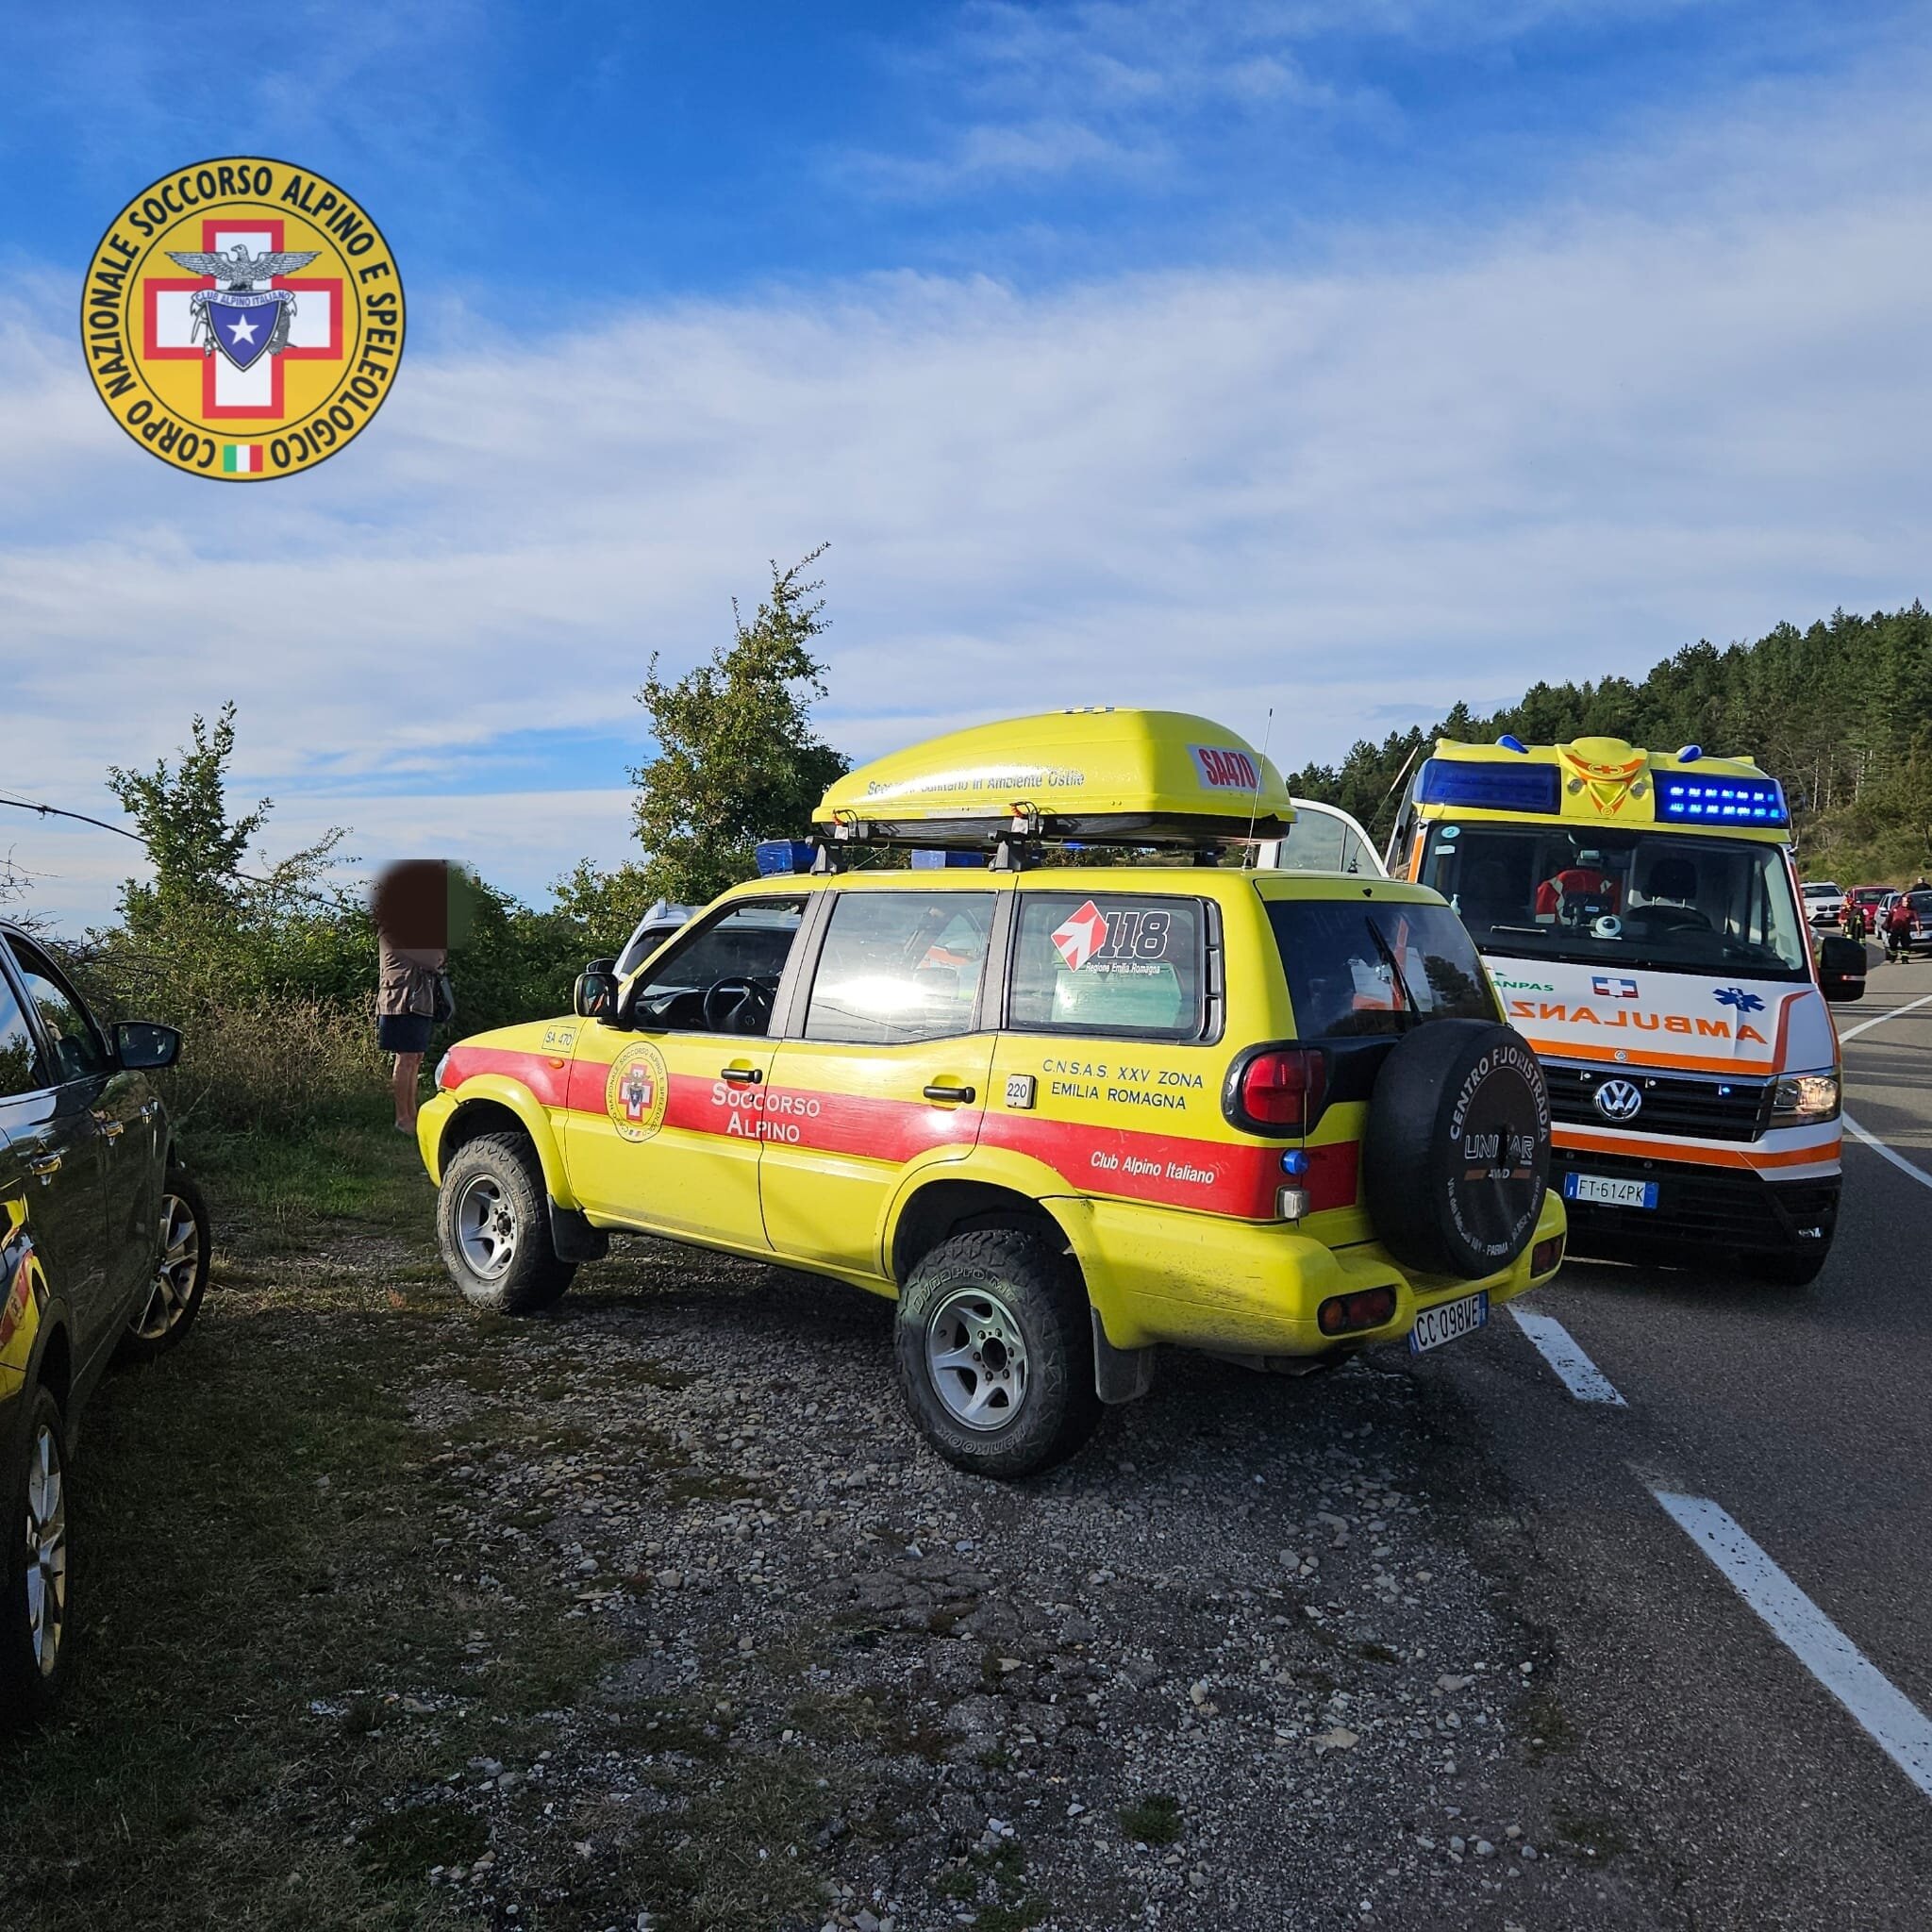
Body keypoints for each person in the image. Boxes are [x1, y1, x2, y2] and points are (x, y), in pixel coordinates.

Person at [373, 860, 453, 1135]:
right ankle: (402, 1118)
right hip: (402, 1001)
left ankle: (413, 1114)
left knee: (415, 1057)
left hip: (419, 1001)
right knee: (406, 1058)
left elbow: (439, 957)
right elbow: (432, 959)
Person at [1882, 890, 1914, 963]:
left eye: (1908, 901)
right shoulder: (1895, 907)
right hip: (1894, 929)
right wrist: (1886, 924)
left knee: (1905, 944)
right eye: (1905, 901)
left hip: (1905, 930)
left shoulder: (1912, 909)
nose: (1907, 903)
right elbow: (1889, 916)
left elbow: (1916, 918)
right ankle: (1893, 956)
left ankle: (1905, 958)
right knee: (1892, 943)